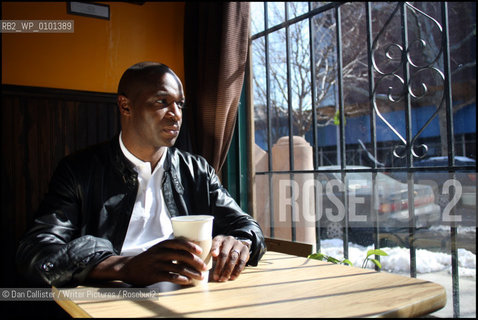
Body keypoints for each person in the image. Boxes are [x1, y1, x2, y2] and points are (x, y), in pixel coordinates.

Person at [16, 62, 266, 287]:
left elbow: (246, 226)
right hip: (110, 300)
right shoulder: (79, 170)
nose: (176, 114)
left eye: (180, 104)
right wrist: (121, 266)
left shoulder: (197, 171)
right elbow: (36, 252)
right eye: (161, 102)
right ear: (126, 106)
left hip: (191, 294)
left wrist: (240, 242)